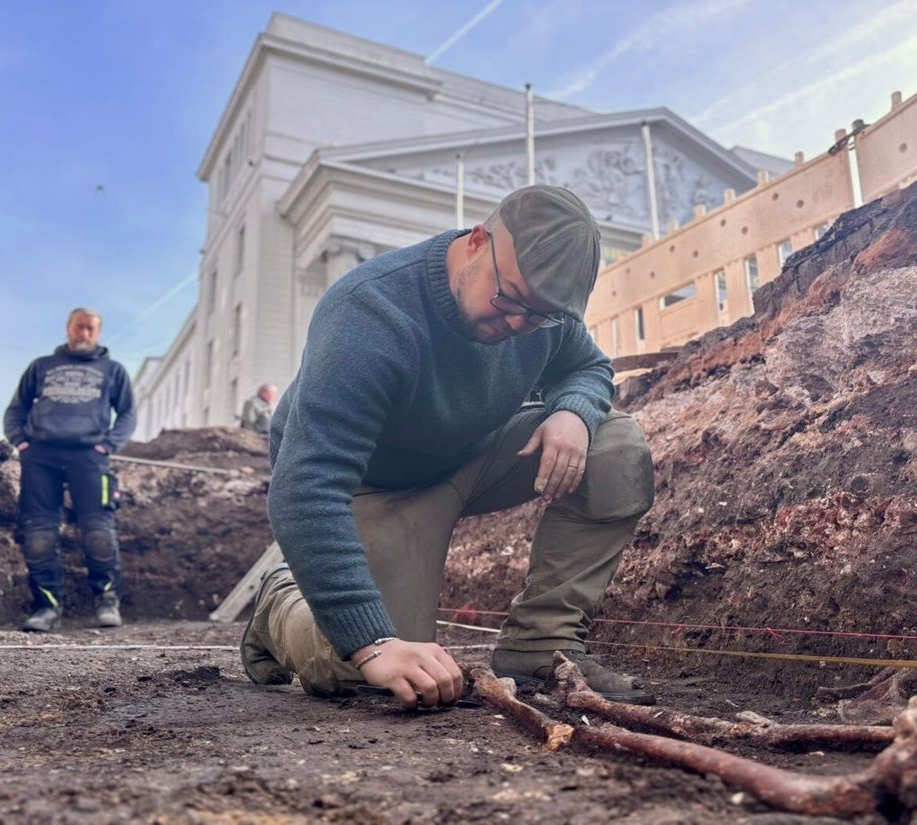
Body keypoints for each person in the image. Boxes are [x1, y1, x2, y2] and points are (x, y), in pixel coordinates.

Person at [241, 185, 656, 708]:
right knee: (364, 669)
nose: (518, 325)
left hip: (467, 457)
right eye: (510, 301)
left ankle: (541, 645)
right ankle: (278, 603)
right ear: (478, 241)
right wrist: (372, 643)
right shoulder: (370, 312)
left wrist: (572, 410)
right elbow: (305, 485)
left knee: (614, 444)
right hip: (373, 485)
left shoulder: (540, 313)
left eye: (542, 316)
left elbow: (587, 365)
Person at [3, 308, 137, 632]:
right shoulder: (42, 366)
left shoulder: (113, 370)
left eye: (91, 329)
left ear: (98, 332)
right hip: (41, 457)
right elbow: (16, 409)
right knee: (38, 534)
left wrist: (107, 445)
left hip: (90, 458)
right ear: (68, 329)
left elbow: (128, 414)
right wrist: (21, 442)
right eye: (79, 327)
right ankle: (47, 607)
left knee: (98, 532)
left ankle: (107, 601)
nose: (84, 333)